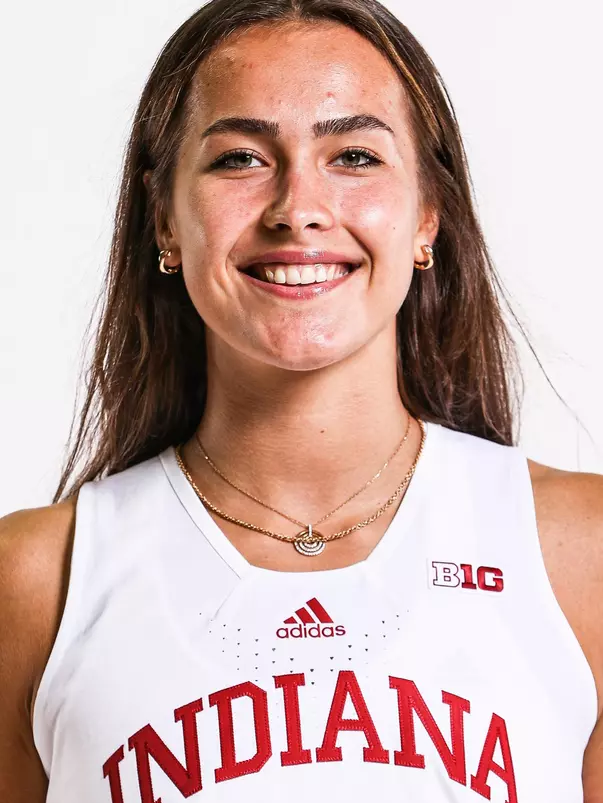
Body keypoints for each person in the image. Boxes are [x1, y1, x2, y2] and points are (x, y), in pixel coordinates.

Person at [1, 0, 602, 800]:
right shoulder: (37, 580)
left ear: (427, 214)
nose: (297, 209)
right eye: (240, 159)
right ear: (165, 218)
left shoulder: (577, 557)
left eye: (353, 155)